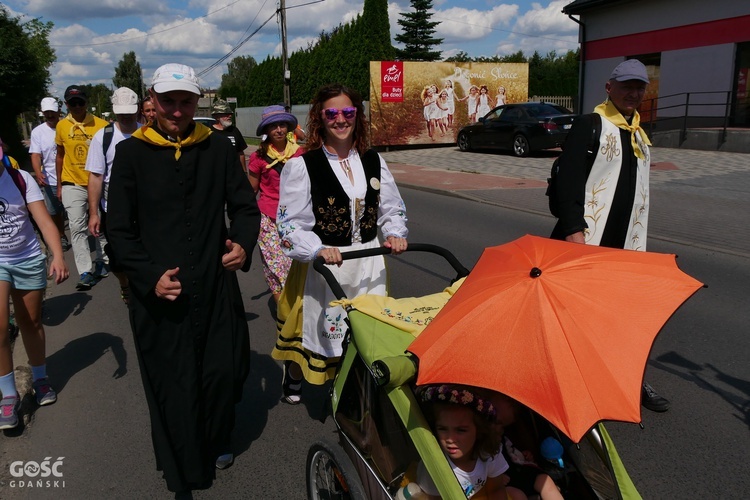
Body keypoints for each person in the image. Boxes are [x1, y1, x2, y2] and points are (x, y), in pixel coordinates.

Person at [106, 63, 260, 496]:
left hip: (213, 285)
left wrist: (242, 245)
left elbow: (245, 208)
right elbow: (119, 230)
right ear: (151, 101)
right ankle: (185, 463)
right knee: (174, 381)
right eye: (168, 101)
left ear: (198, 101)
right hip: (161, 294)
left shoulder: (215, 148)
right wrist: (149, 276)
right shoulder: (131, 153)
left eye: (185, 101)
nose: (177, 110)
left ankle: (217, 437)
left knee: (223, 371)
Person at [272, 83, 408, 404]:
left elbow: (391, 206)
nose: (341, 119)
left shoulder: (374, 161)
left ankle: (352, 391)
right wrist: (316, 249)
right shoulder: (303, 166)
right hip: (325, 264)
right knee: (314, 333)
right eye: (332, 113)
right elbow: (290, 224)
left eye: (348, 112)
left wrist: (395, 233)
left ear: (356, 116)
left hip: (368, 261)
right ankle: (294, 374)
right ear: (321, 118)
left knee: (366, 330)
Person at [548, 59, 669, 413]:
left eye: (640, 87)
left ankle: (628, 379)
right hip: (584, 240)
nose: (634, 93)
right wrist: (573, 232)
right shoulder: (591, 125)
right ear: (609, 87)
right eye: (627, 86)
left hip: (625, 245)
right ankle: (565, 384)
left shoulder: (640, 135)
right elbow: (567, 183)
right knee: (571, 317)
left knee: (621, 316)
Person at [0, 138, 69, 430]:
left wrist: (57, 255)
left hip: (27, 257)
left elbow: (43, 220)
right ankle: (7, 395)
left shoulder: (19, 177)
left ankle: (39, 378)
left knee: (31, 322)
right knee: (0, 327)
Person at [416, 384, 525, 500]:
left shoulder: (487, 451)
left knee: (519, 495)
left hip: (480, 492)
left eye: (461, 430)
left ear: (479, 430)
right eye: (442, 429)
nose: (450, 439)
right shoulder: (434, 468)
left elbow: (496, 489)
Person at [85, 87, 142, 305]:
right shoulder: (104, 137)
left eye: (130, 111)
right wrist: (93, 213)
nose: (126, 116)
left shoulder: (148, 133)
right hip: (113, 209)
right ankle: (124, 282)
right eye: (122, 112)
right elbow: (96, 177)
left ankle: (143, 288)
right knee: (118, 259)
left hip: (145, 209)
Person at [247, 105, 304, 305]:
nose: (279, 130)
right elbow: (251, 191)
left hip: (297, 218)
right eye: (273, 126)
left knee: (297, 265)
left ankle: (297, 306)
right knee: (276, 265)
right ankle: (285, 311)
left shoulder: (300, 154)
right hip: (269, 219)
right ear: (266, 131)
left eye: (282, 125)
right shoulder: (259, 158)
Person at [55, 85, 109, 291]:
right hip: (72, 182)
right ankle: (85, 271)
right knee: (77, 227)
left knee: (100, 225)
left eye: (80, 102)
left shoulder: (101, 125)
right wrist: (60, 184)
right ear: (66, 104)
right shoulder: (61, 126)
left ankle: (104, 260)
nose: (77, 106)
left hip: (97, 181)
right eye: (72, 103)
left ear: (87, 103)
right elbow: (60, 155)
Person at [490, 393, 564, 500]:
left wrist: (521, 454)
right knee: (518, 495)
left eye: (503, 427)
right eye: (496, 422)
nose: (499, 429)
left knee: (545, 480)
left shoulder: (502, 437)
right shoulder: (478, 441)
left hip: (517, 471)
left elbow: (509, 449)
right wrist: (494, 478)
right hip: (501, 481)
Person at [29, 97, 70, 251]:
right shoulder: (38, 132)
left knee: (76, 212)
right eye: (47, 113)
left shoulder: (66, 126)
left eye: (52, 112)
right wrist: (38, 172)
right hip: (51, 179)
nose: (50, 115)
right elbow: (35, 154)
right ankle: (61, 235)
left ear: (59, 111)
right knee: (54, 212)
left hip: (70, 177)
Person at [209, 99, 248, 173]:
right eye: (226, 114)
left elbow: (240, 153)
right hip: (216, 174)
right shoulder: (209, 132)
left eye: (230, 113)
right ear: (216, 116)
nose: (230, 116)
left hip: (234, 173)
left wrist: (244, 172)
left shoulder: (234, 131)